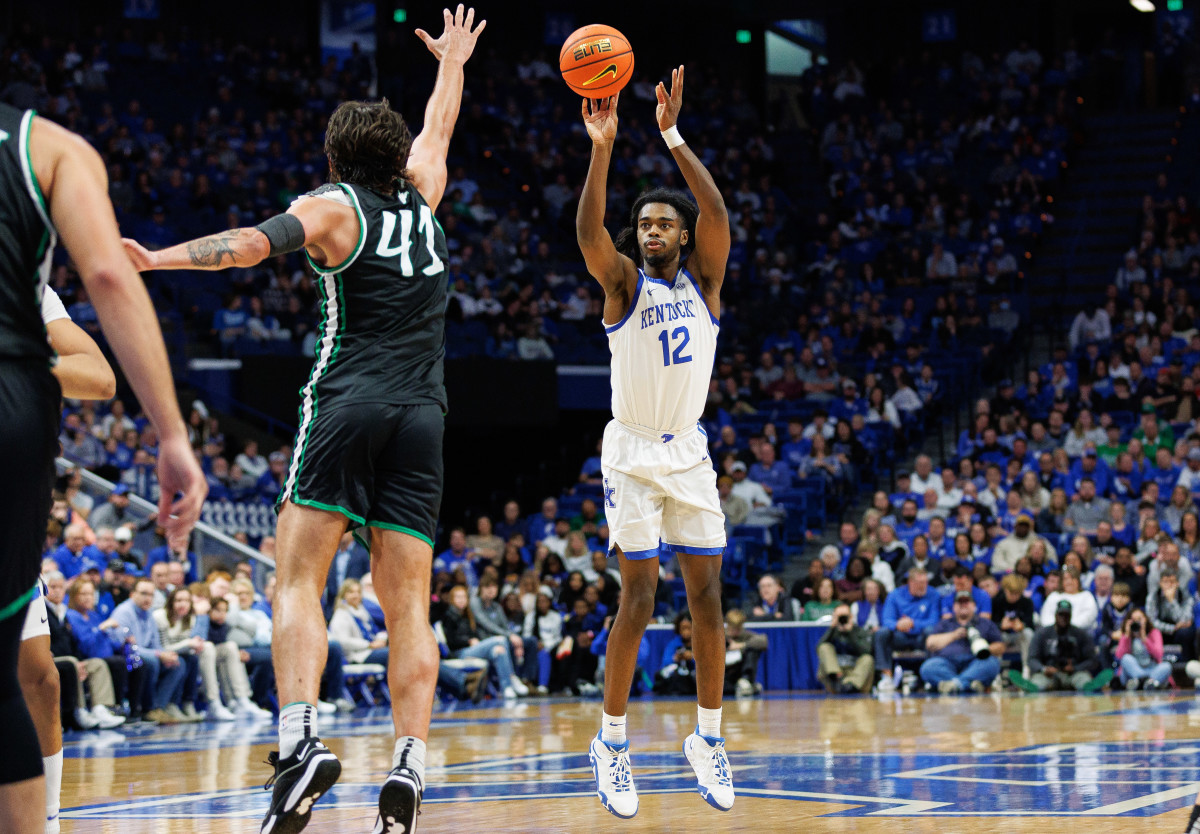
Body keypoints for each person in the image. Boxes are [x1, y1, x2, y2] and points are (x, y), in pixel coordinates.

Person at [123, 9, 485, 833]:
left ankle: (299, 743)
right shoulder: (424, 197)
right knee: (411, 610)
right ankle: (410, 764)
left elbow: (249, 244)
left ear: (333, 159)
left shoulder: (330, 207)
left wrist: (159, 258)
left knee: (296, 580)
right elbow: (439, 124)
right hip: (425, 418)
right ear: (395, 158)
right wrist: (453, 61)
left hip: (348, 402)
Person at [0, 100, 205, 834]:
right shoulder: (50, 148)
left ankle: (48, 821)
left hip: (12, 477)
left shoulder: (27, 288)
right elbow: (113, 277)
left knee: (38, 681)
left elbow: (98, 375)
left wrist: (23, 358)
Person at [576, 65, 734, 816]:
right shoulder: (625, 288)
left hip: (689, 452)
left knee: (708, 597)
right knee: (638, 596)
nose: (654, 231)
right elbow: (588, 234)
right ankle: (610, 743)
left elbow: (718, 210)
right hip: (633, 452)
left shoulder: (704, 286)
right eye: (645, 226)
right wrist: (602, 149)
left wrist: (671, 134)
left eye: (663, 224)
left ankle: (707, 737)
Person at [1008, 600, 1113, 692]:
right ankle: (1030, 686)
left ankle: (1091, 686)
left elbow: (1092, 660)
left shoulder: (1080, 634)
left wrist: (1075, 668)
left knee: (1083, 681)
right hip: (1049, 674)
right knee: (1039, 683)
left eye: (1066, 615)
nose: (1063, 618)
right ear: (1055, 615)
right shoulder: (1042, 634)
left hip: (1074, 673)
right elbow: (1032, 659)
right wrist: (1044, 669)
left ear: (1071, 616)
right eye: (1061, 615)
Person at [918, 592, 1005, 694]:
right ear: (954, 607)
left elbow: (1000, 647)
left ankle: (954, 685)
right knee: (928, 667)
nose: (963, 605)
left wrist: (984, 648)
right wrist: (954, 635)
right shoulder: (944, 623)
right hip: (947, 662)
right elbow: (930, 643)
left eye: (967, 602)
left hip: (975, 661)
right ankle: (967, 684)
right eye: (960, 603)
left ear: (974, 606)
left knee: (991, 663)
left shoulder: (985, 623)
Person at [874, 568, 941, 693]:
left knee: (931, 631)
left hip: (922, 636)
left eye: (925, 582)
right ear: (910, 582)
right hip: (901, 636)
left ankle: (928, 676)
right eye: (920, 583)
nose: (924, 586)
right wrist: (898, 624)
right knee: (881, 633)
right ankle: (886, 676)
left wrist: (913, 623)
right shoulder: (895, 595)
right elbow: (887, 620)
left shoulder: (934, 595)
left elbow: (935, 621)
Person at [817, 602, 875, 693]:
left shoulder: (860, 631)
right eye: (839, 617)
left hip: (855, 673)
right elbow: (819, 648)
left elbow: (866, 651)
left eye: (845, 616)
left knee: (868, 659)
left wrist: (850, 632)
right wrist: (832, 628)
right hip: (837, 674)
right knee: (824, 647)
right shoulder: (833, 632)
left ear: (851, 617)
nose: (842, 619)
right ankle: (836, 677)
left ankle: (849, 685)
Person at [1115, 607, 1171, 690]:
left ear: (1145, 619)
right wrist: (1126, 636)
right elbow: (1119, 656)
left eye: (1139, 619)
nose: (1137, 622)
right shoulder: (1127, 635)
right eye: (1134, 620)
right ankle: (1148, 682)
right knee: (1126, 658)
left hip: (1151, 669)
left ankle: (1141, 682)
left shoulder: (1154, 632)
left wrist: (1144, 638)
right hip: (1134, 670)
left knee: (1166, 666)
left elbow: (1159, 655)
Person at [722, 609, 766, 696]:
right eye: (734, 628)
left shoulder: (745, 635)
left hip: (741, 672)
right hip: (726, 674)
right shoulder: (721, 635)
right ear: (728, 625)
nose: (736, 631)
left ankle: (746, 680)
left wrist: (741, 645)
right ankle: (749, 688)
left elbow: (763, 640)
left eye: (739, 628)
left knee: (752, 649)